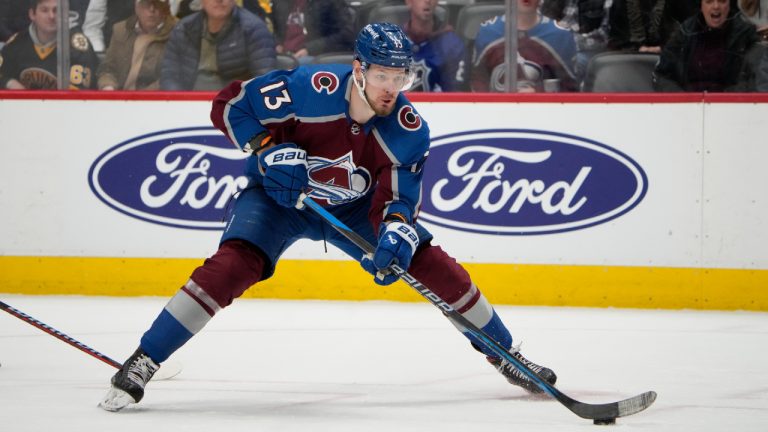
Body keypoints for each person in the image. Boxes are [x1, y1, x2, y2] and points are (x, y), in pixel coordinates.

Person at [98, 22, 558, 412]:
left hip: (355, 209)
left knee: (426, 261)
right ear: (358, 70)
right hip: (280, 198)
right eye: (381, 76)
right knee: (233, 265)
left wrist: (397, 232)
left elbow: (398, 200)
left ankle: (508, 355)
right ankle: (145, 358)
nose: (392, 90)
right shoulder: (305, 89)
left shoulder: (407, 130)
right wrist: (266, 149)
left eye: (401, 78)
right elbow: (231, 105)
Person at [160, 0, 276, 91]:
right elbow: (169, 75)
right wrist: (179, 103)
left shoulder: (254, 29)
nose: (219, 0)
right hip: (187, 105)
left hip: (235, 106)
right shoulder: (184, 28)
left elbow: (265, 80)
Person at [653, 0, 764, 92]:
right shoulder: (685, 32)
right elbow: (662, 75)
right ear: (701, 5)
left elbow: (755, 79)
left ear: (730, 4)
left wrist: (725, 100)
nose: (716, 6)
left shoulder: (746, 36)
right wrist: (683, 101)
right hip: (689, 110)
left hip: (731, 110)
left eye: (722, 1)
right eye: (709, 1)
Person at [471, 0, 578, 92]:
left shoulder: (559, 36)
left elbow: (571, 89)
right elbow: (476, 84)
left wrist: (539, 94)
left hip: (543, 114)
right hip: (496, 113)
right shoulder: (488, 33)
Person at [0, 0, 99, 90]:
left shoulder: (78, 47)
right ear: (32, 14)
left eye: (56, 10)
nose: (51, 16)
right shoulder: (17, 43)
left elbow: (80, 95)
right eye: (44, 10)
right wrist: (9, 83)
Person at [96, 0, 177, 90]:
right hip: (118, 98)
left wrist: (138, 99)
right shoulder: (120, 30)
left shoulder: (178, 33)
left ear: (166, 7)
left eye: (157, 4)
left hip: (154, 100)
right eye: (146, 4)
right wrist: (108, 87)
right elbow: (107, 69)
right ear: (136, 7)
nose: (152, 9)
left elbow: (173, 77)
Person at [540, 0, 614, 80]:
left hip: (590, 52)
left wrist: (567, 38)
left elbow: (604, 34)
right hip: (558, 47)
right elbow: (544, 21)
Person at [402, 0, 465, 92]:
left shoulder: (452, 45)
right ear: (408, 2)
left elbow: (454, 99)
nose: (427, 1)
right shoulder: (392, 41)